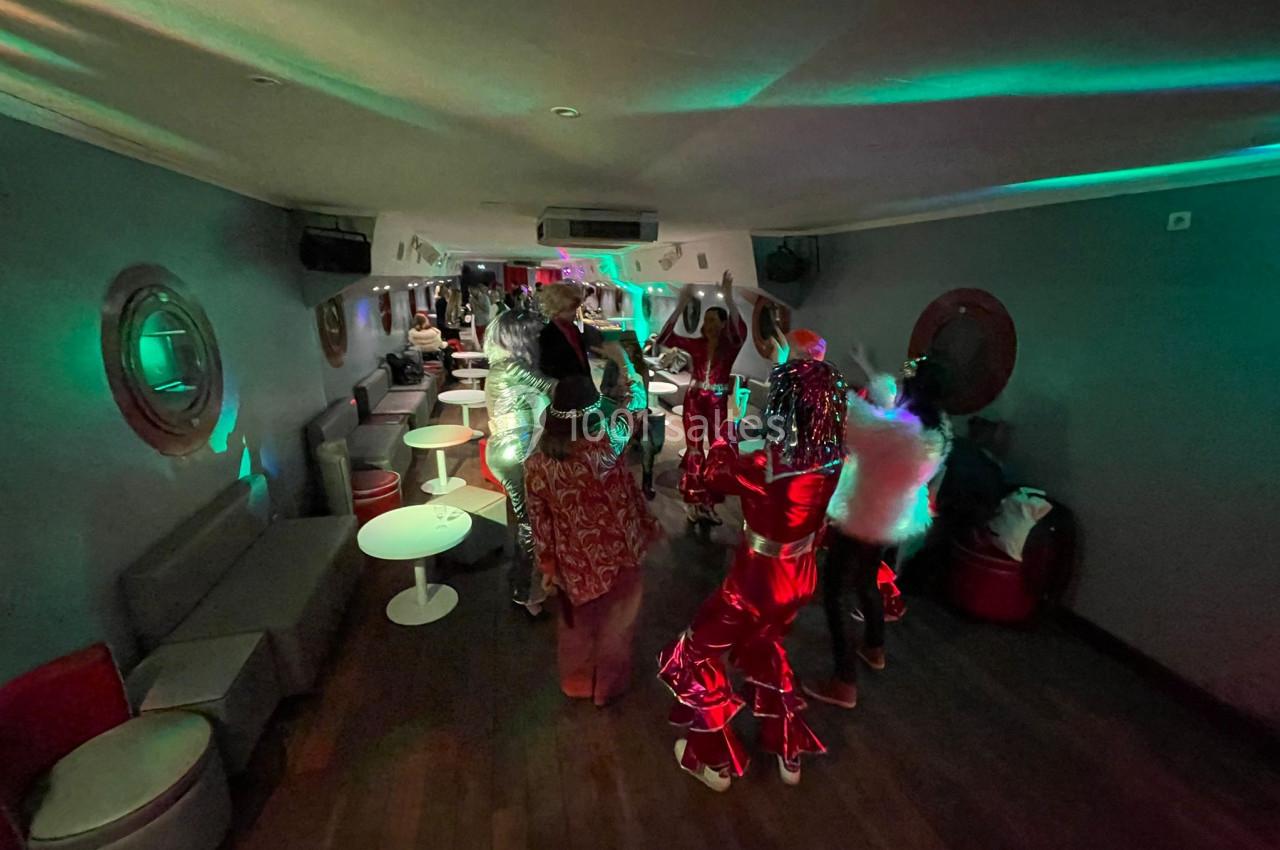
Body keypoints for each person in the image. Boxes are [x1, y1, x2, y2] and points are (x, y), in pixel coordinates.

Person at [658, 359, 848, 791]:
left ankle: (714, 762)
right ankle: (787, 749)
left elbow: (713, 475)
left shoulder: (768, 464)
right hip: (800, 577)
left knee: (696, 654)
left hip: (755, 583)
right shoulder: (833, 459)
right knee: (767, 647)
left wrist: (724, 435)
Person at [804, 348, 953, 710]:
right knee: (866, 581)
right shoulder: (937, 426)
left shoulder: (900, 429)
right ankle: (874, 647)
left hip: (864, 514)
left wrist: (823, 380)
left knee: (835, 592)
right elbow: (885, 419)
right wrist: (869, 375)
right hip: (891, 516)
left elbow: (855, 421)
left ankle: (843, 682)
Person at [525, 345, 659, 706]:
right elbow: (637, 403)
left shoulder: (536, 464)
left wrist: (548, 566)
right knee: (618, 624)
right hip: (621, 552)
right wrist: (625, 364)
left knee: (577, 626)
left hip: (574, 560)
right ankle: (606, 689)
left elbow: (539, 521)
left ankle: (578, 683)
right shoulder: (609, 446)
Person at [483, 310, 559, 616]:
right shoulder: (513, 366)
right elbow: (555, 389)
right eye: (537, 335)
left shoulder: (504, 365)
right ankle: (526, 592)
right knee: (531, 523)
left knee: (530, 520)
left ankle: (528, 581)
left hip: (511, 450)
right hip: (514, 452)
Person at [655, 271, 746, 525]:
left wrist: (729, 299)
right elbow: (664, 338)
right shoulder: (696, 344)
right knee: (694, 449)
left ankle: (709, 504)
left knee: (718, 451)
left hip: (717, 399)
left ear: (723, 323)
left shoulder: (730, 346)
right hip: (695, 398)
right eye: (706, 320)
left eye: (714, 320)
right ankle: (693, 501)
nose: (708, 324)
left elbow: (741, 330)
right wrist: (680, 305)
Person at [600, 330, 662, 499]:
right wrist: (617, 391)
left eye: (630, 346)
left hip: (637, 413)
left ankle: (647, 482)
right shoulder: (612, 366)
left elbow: (645, 397)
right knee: (613, 445)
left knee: (648, 444)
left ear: (635, 348)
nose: (627, 350)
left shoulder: (642, 367)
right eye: (624, 347)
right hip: (617, 411)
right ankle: (614, 483)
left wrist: (641, 412)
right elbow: (603, 390)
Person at [538, 282, 598, 380]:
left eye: (575, 308)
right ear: (557, 309)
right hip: (566, 385)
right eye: (570, 309)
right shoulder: (547, 334)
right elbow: (549, 368)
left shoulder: (573, 328)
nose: (574, 313)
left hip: (581, 382)